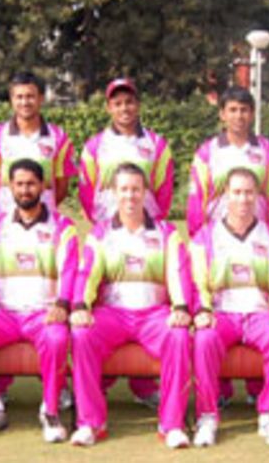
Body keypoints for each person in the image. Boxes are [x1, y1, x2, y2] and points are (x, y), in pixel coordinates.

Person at [0, 159, 79, 443]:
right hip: (3, 313)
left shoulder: (63, 227)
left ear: (43, 186)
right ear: (9, 188)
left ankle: (50, 409)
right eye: (19, 184)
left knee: (58, 339)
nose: (25, 189)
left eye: (31, 183)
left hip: (43, 313)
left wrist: (62, 303)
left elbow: (70, 269)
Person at [68, 164, 192, 448]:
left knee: (178, 336)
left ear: (145, 192)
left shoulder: (166, 233)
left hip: (154, 315)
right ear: (114, 193)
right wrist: (80, 305)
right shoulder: (100, 234)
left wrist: (182, 307)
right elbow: (88, 273)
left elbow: (178, 271)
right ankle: (91, 423)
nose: (130, 196)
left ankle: (172, 424)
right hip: (113, 314)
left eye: (136, 189)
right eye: (123, 189)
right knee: (82, 334)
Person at [190, 168, 269, 447]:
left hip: (260, 313)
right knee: (203, 339)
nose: (243, 199)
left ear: (258, 196)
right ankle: (207, 415)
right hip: (222, 313)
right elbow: (197, 282)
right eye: (236, 192)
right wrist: (202, 310)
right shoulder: (205, 237)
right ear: (226, 195)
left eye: (249, 192)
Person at [0, 71, 79, 219]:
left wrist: (40, 207)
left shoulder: (59, 137)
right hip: (7, 220)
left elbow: (62, 186)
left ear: (41, 98)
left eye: (30, 96)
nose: (25, 102)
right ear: (11, 100)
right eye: (19, 97)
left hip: (45, 222)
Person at [186, 87, 269, 237]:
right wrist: (198, 236)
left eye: (244, 110)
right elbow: (196, 199)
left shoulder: (268, 150)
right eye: (233, 110)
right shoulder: (207, 152)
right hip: (218, 238)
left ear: (252, 114)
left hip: (258, 238)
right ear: (222, 114)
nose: (239, 116)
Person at [78, 78, 174, 224]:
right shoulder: (94, 146)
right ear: (109, 108)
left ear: (137, 105)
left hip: (146, 226)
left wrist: (156, 221)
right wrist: (96, 221)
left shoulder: (157, 145)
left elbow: (164, 188)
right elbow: (86, 189)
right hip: (106, 225)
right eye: (117, 104)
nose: (124, 108)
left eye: (129, 102)